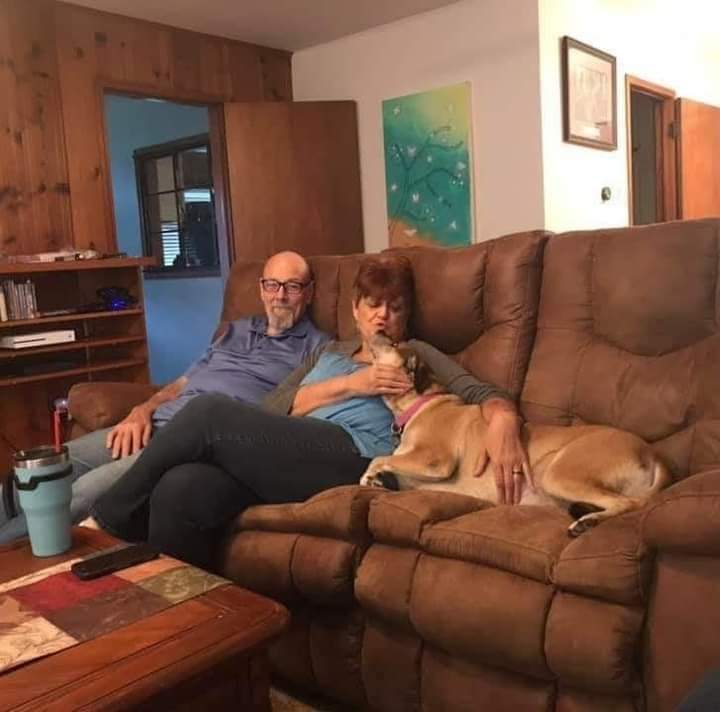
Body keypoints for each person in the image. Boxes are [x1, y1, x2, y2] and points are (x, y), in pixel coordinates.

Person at [90, 254, 531, 571]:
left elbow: (483, 392)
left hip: (356, 456)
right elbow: (272, 406)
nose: (383, 317)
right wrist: (352, 384)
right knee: (181, 487)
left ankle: (109, 520)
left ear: (405, 317)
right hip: (288, 451)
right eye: (373, 305)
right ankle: (187, 624)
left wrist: (505, 420)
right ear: (355, 310)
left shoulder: (416, 352)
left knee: (206, 413)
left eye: (395, 309)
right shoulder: (329, 352)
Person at [0, 251, 329, 544]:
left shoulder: (317, 348)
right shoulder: (234, 331)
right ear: (261, 288)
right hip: (154, 424)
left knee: (81, 492)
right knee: (44, 470)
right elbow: (181, 383)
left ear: (309, 292)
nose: (280, 296)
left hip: (192, 443)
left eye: (292, 287)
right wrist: (142, 410)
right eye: (272, 285)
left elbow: (296, 413)